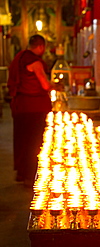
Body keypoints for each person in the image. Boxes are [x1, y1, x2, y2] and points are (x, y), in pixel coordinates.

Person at [7, 34, 58, 187]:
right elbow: (44, 85)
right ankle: (31, 174)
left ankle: (22, 173)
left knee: (22, 140)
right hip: (34, 107)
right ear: (41, 47)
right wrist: (56, 86)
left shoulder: (20, 57)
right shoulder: (35, 62)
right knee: (34, 142)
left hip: (21, 106)